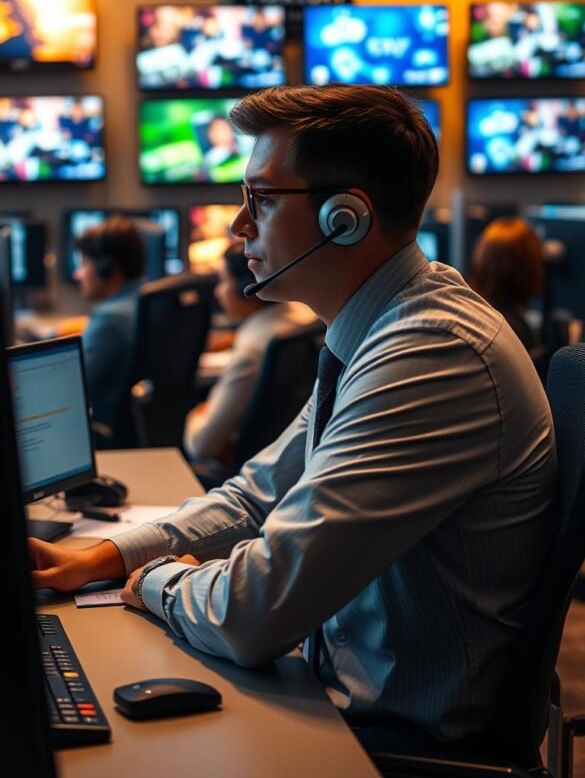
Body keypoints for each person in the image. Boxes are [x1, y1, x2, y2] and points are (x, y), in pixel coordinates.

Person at [30, 84, 555, 762]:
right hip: (340, 701)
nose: (237, 226)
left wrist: (153, 579)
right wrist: (103, 557)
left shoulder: (431, 353)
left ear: (345, 219)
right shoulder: (377, 331)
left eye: (262, 200)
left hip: (396, 748)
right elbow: (255, 496)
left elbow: (256, 611)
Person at [183, 238, 317, 473]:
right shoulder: (302, 315)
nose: (217, 292)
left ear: (247, 285)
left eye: (223, 281)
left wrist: (196, 414)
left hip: (245, 472)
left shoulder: (250, 353)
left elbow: (203, 445)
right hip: (288, 461)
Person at [72, 215, 145, 440]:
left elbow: (69, 388)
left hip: (102, 438)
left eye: (83, 264)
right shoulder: (146, 301)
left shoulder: (109, 320)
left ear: (106, 268)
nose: (78, 274)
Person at [469, 216, 544, 352]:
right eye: (537, 261)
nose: (541, 270)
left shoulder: (478, 312)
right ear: (525, 269)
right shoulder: (513, 331)